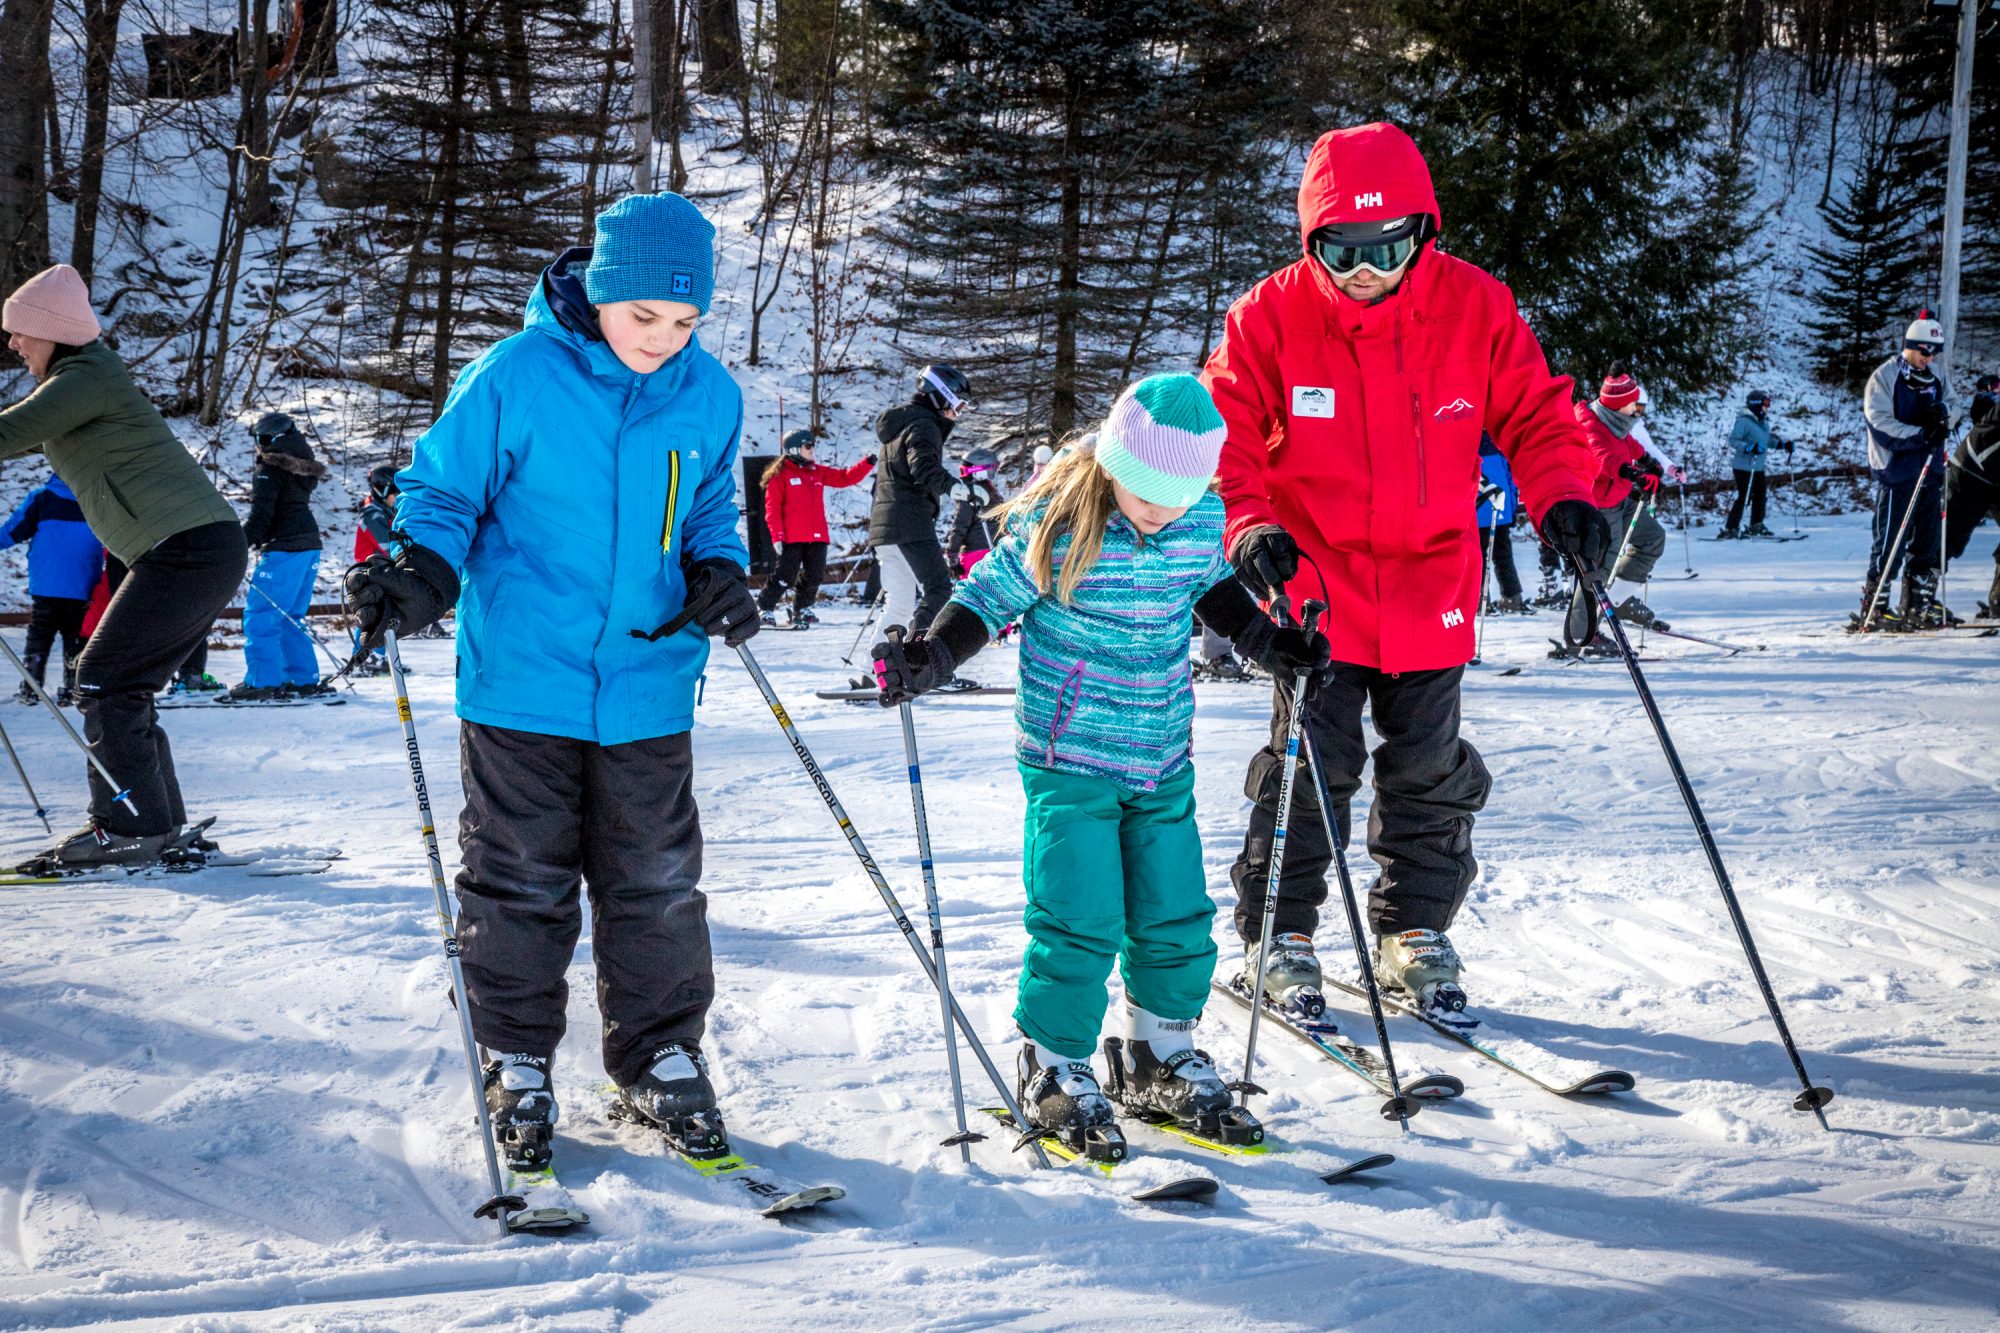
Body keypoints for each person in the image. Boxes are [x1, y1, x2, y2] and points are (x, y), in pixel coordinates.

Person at [344, 192, 758, 1177]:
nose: (662, 339)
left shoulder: (707, 392)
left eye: (685, 321)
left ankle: (657, 1051)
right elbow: (442, 490)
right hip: (523, 682)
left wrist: (719, 566)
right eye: (643, 317)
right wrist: (423, 570)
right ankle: (516, 1055)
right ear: (600, 296)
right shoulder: (517, 373)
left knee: (654, 881)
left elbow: (709, 507)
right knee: (519, 877)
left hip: (648, 684)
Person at [1202, 122, 1607, 1019]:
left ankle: (1412, 928)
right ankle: (1283, 932)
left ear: (1423, 232)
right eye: (1340, 250)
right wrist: (1250, 524)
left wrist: (1565, 497)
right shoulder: (1268, 317)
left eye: (1387, 248)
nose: (1364, 270)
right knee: (1313, 764)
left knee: (1428, 768)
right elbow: (1224, 440)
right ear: (1312, 242)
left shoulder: (1476, 307)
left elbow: (1540, 419)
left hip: (1431, 589)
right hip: (1316, 591)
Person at [872, 374, 1330, 1152]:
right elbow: (987, 597)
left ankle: (1158, 1050)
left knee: (1175, 910)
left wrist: (1268, 642)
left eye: (1178, 495)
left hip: (1160, 751)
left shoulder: (1197, 520)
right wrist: (934, 655)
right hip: (1068, 752)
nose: (1161, 510)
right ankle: (1052, 1061)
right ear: (1114, 463)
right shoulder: (1063, 522)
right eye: (1147, 492)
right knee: (1078, 914)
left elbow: (1213, 592)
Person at [0, 264, 247, 869]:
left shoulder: (86, 376)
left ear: (50, 329)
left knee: (105, 679)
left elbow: (11, 431)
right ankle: (152, 824)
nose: (12, 343)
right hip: (184, 548)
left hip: (187, 548)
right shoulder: (81, 379)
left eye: (19, 331)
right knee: (116, 681)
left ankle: (131, 829)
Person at [1858, 312, 1952, 629]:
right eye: (1926, 351)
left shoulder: (1936, 376)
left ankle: (1918, 603)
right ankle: (1875, 605)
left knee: (1927, 541)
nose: (1930, 358)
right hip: (1898, 473)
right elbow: (1880, 424)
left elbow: (1954, 402)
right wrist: (1920, 435)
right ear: (1912, 346)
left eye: (1935, 352)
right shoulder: (1884, 377)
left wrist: (1944, 415)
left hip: (1931, 469)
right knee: (1890, 542)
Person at [226, 411, 327, 701]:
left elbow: (261, 516)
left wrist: (238, 546)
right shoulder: (300, 469)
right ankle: (301, 677)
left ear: (275, 439)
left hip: (284, 546)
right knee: (289, 615)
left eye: (263, 439)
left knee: (261, 614)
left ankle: (262, 680)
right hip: (308, 545)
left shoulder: (269, 469)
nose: (260, 445)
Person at [869, 364, 969, 636]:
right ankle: (916, 660)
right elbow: (922, 467)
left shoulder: (901, 424)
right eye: (957, 405)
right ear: (941, 395)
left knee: (899, 602)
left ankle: (873, 670)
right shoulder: (924, 424)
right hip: (909, 523)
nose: (956, 415)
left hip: (886, 526)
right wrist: (955, 488)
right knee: (939, 589)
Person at [1573, 366, 1669, 631]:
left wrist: (1650, 463)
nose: (1638, 411)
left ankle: (1618, 599)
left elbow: (1627, 445)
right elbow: (1604, 457)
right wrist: (1633, 473)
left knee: (1652, 538)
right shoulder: (1591, 424)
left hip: (1619, 497)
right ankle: (1581, 634)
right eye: (1634, 405)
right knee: (1601, 566)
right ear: (1618, 405)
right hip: (1599, 505)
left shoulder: (1616, 422)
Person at [0, 472, 104, 705]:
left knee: (40, 633)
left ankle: (31, 686)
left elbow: (11, 532)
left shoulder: (42, 498)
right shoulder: (96, 501)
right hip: (83, 582)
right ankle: (72, 687)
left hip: (47, 582)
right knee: (75, 635)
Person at [757, 429, 873, 627]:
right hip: (792, 538)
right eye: (807, 446)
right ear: (793, 449)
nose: (812, 450)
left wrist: (867, 463)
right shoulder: (780, 475)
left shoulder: (816, 471)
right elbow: (772, 509)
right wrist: (777, 536)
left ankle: (803, 608)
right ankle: (765, 608)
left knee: (815, 575)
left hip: (817, 536)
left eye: (812, 445)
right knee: (785, 576)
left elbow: (844, 478)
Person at [1944, 371, 2000, 619]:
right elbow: (1981, 414)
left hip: (1995, 475)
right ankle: (1917, 599)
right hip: (1970, 470)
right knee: (1947, 536)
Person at [1721, 389, 1786, 539]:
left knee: (1761, 496)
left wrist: (1782, 445)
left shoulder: (1763, 422)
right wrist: (1749, 447)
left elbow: (1766, 441)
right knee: (1745, 496)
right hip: (1743, 466)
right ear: (1756, 404)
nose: (1767, 407)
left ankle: (1756, 524)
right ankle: (1731, 527)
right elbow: (1734, 440)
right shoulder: (1744, 421)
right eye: (1765, 403)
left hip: (1758, 466)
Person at [1477, 437, 1530, 614]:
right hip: (1500, 511)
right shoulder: (1500, 448)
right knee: (1503, 556)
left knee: (1479, 558)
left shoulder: (1468, 450)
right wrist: (1512, 511)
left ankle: (1481, 602)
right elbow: (1511, 481)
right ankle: (1512, 596)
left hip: (1477, 513)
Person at [943, 446, 1002, 575]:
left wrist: (952, 553)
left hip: (984, 554)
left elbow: (960, 525)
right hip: (986, 554)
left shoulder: (981, 492)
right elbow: (960, 524)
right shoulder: (978, 494)